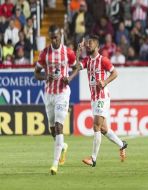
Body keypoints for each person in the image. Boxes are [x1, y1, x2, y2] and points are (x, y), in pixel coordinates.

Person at [34, 25, 79, 175]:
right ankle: (63, 146)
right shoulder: (45, 53)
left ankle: (55, 164)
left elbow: (77, 67)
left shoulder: (68, 52)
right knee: (52, 129)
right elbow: (36, 73)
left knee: (59, 127)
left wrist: (70, 78)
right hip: (49, 94)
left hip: (62, 93)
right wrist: (46, 77)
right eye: (51, 37)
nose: (54, 39)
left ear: (60, 35)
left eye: (56, 37)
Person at [77, 35, 128, 167]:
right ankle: (122, 145)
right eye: (87, 43)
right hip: (94, 98)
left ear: (97, 47)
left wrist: (105, 82)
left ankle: (93, 159)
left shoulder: (103, 60)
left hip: (102, 96)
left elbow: (115, 73)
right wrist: (78, 52)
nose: (88, 45)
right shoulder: (87, 60)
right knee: (104, 129)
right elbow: (76, 67)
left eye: (91, 43)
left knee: (96, 126)